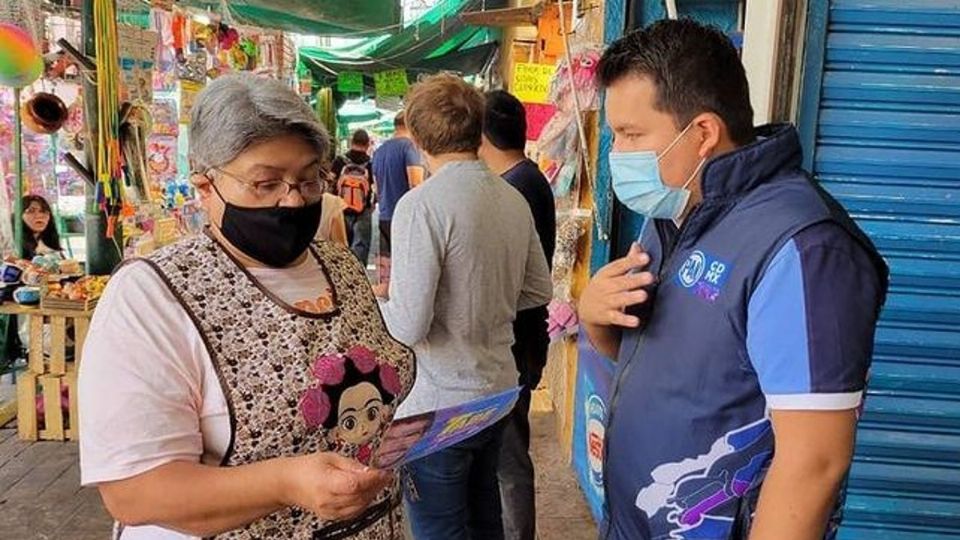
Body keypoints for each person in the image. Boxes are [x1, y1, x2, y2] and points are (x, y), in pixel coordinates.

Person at [578, 20, 888, 540]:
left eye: (631, 134)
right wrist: (595, 315)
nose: (617, 153)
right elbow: (666, 368)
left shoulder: (803, 248)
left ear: (702, 133)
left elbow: (814, 463)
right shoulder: (673, 215)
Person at [78, 73, 415, 540]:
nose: (292, 200)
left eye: (309, 179)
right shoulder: (152, 295)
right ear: (204, 185)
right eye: (265, 183)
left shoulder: (341, 266)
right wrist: (284, 483)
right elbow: (133, 492)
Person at [374, 74, 553, 540]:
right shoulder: (512, 198)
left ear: (415, 137)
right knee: (484, 519)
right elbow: (537, 289)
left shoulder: (422, 206)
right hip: (495, 392)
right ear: (477, 131)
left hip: (439, 405)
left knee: (440, 527)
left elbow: (408, 324)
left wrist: (377, 308)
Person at [478, 90, 556, 540]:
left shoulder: (515, 188)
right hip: (521, 340)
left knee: (509, 459)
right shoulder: (524, 179)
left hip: (515, 343)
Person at [370, 113, 424, 284]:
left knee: (388, 269)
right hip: (405, 218)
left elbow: (377, 189)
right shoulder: (410, 148)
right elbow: (416, 184)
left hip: (384, 216)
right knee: (408, 271)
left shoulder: (379, 152)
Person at [332, 130, 375, 265]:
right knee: (360, 247)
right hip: (363, 210)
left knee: (341, 245)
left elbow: (331, 181)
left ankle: (342, 277)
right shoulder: (370, 164)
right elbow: (375, 187)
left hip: (341, 208)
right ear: (368, 144)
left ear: (351, 142)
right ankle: (359, 278)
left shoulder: (339, 161)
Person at [21, 194, 63, 260]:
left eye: (43, 211)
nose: (39, 216)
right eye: (31, 211)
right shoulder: (14, 246)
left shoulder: (49, 243)